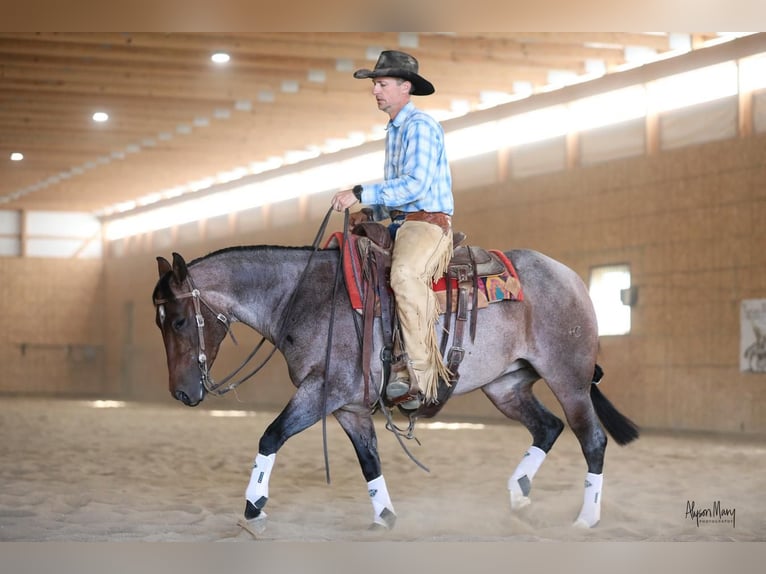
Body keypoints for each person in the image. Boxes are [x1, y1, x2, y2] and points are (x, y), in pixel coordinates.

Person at [331, 50, 454, 411]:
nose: (376, 91)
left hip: (427, 223)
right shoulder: (395, 131)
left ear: (405, 87)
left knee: (403, 275)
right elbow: (397, 194)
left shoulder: (420, 127)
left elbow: (415, 186)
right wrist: (370, 211)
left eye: (382, 84)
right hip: (403, 223)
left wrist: (359, 192)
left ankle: (421, 373)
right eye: (374, 85)